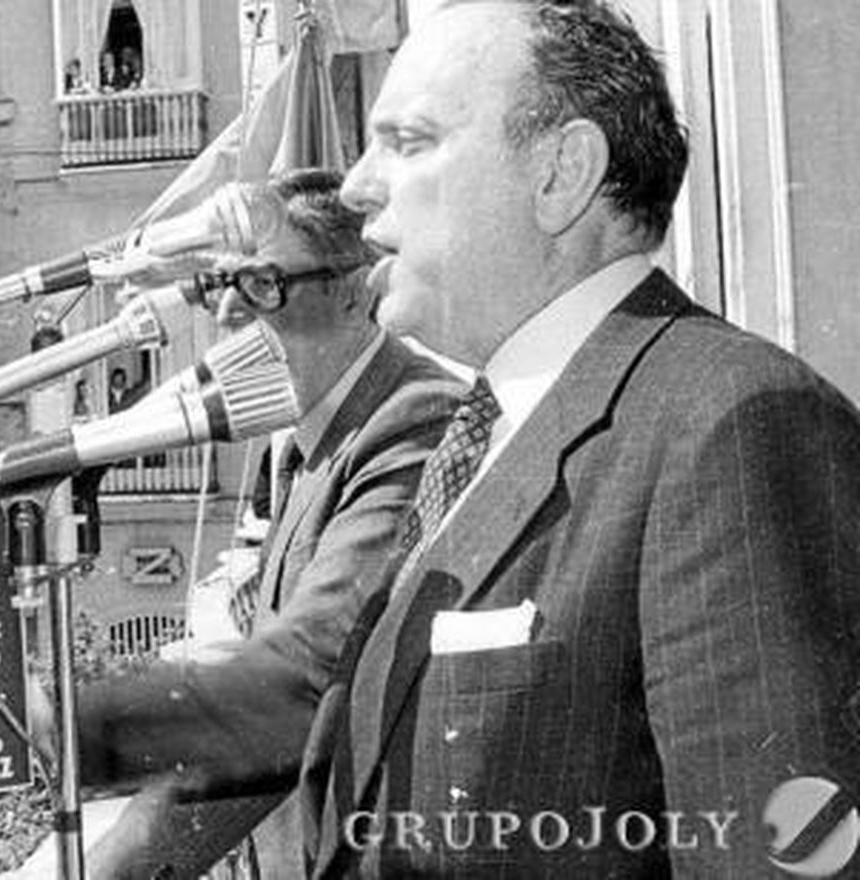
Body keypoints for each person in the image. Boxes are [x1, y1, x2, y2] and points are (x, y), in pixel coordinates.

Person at [68, 2, 860, 876]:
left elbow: (781, 851)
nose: (359, 185)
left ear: (560, 173)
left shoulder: (728, 423)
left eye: (408, 142)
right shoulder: (483, 430)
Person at [18, 170, 463, 878]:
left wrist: (69, 725)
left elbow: (299, 685)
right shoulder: (312, 444)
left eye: (261, 283)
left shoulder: (416, 419)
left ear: (356, 288)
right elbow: (256, 745)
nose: (227, 313)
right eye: (219, 284)